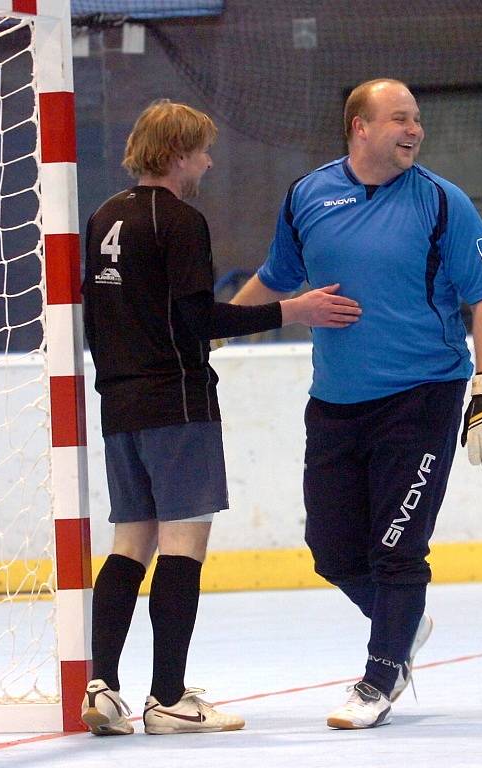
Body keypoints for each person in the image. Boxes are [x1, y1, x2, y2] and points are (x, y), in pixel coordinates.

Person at [232, 78, 482, 729]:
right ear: (360, 126)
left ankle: (380, 675)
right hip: (334, 403)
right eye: (399, 119)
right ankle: (404, 621)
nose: (414, 130)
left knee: (397, 548)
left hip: (421, 398)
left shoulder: (444, 202)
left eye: (417, 120)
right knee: (330, 549)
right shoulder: (307, 195)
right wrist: (210, 329)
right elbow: (277, 277)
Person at [79, 100, 360, 737]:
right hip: (177, 404)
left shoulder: (102, 218)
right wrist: (293, 311)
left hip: (119, 405)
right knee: (183, 545)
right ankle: (170, 697)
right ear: (177, 154)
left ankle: (102, 684)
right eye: (201, 151)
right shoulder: (180, 221)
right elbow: (197, 320)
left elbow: (99, 320)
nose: (208, 161)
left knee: (130, 543)